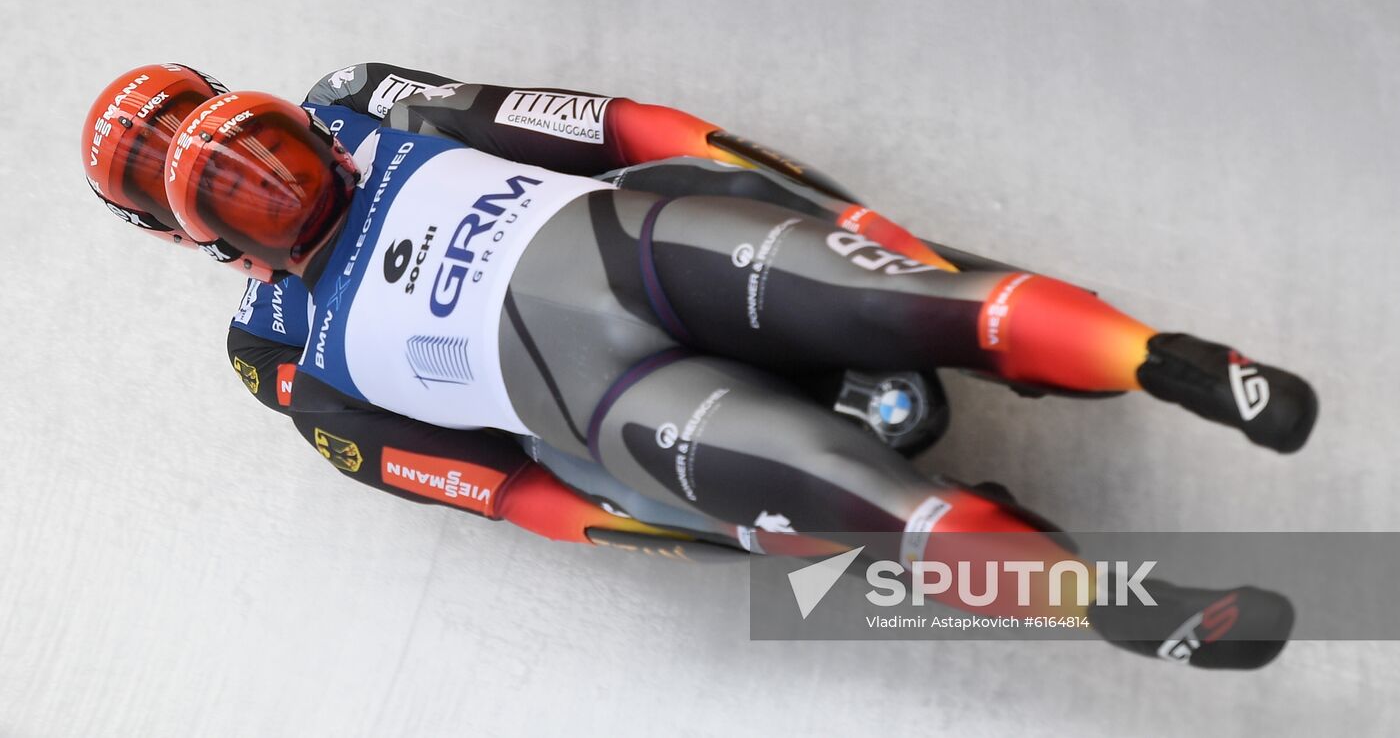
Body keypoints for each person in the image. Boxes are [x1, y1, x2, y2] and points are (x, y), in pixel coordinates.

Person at [86, 66, 1315, 669]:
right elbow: (466, 478)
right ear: (196, 239)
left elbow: (592, 127)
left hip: (649, 253)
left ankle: (1171, 372)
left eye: (270, 152)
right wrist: (639, 530)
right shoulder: (275, 355)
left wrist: (773, 181)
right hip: (612, 403)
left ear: (282, 118)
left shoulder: (367, 103)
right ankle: (1126, 574)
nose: (280, 186)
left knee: (920, 317)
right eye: (241, 197)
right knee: (886, 501)